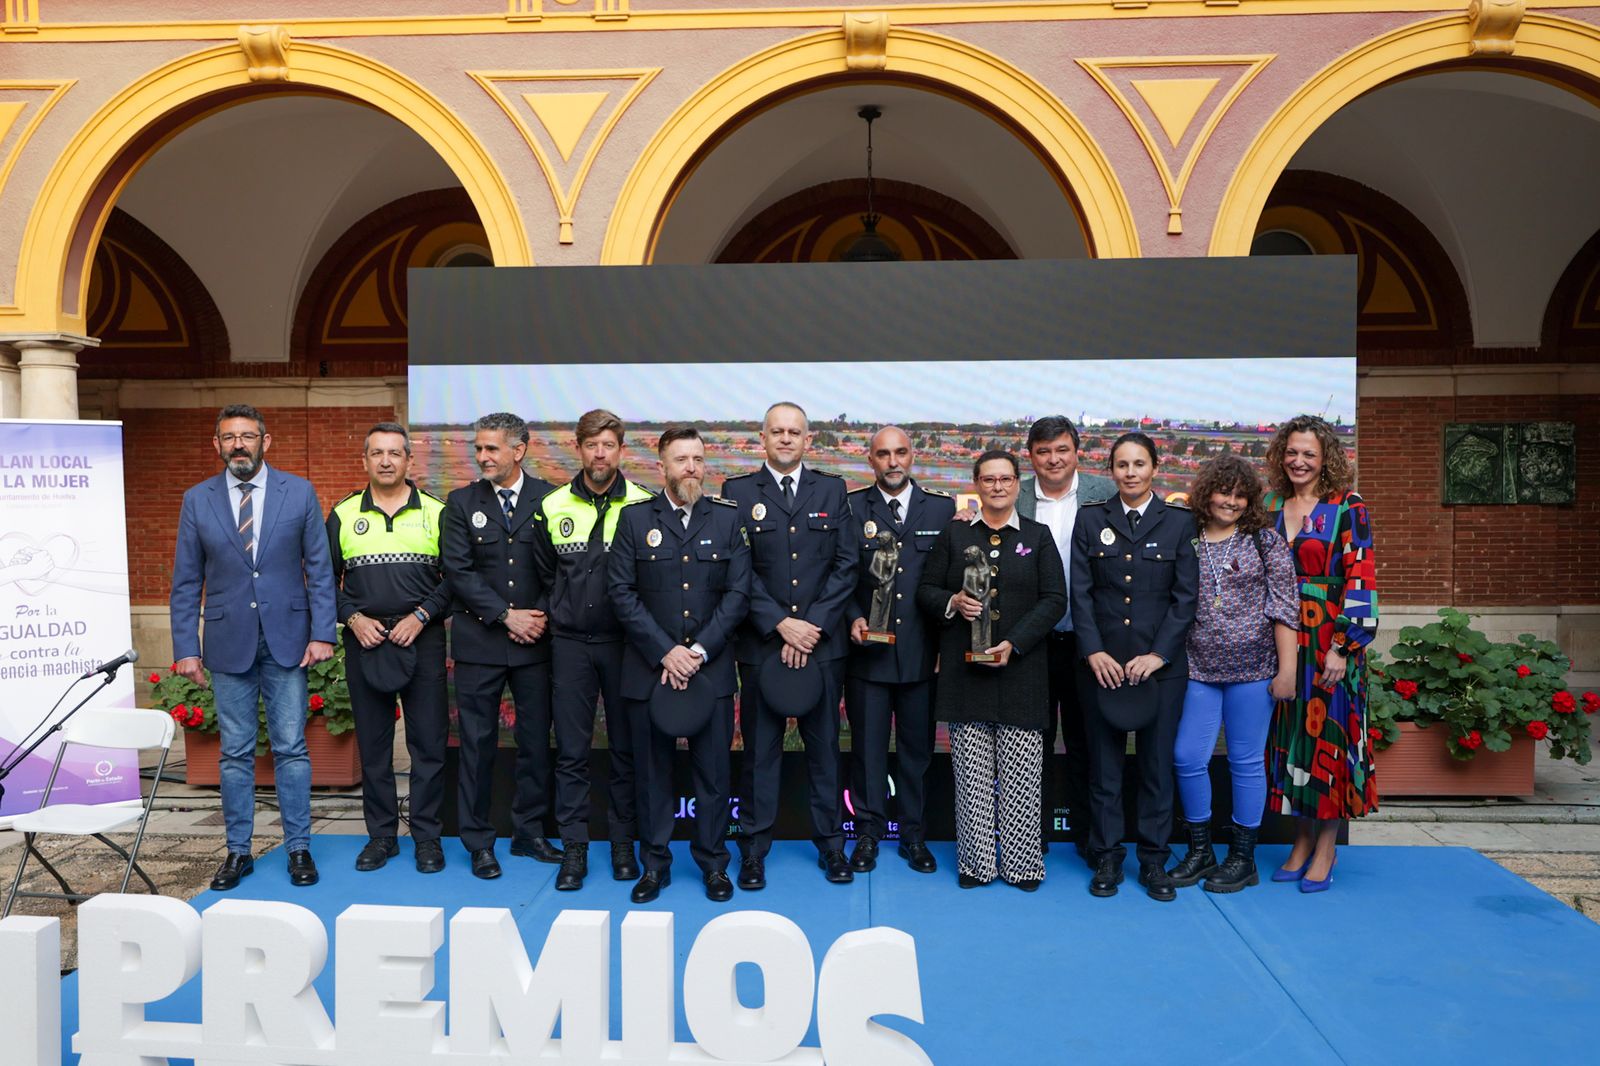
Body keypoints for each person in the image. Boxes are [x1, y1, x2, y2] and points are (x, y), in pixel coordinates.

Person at [170, 404, 336, 891]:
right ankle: (238, 851)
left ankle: (299, 847)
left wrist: (323, 632)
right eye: (228, 438)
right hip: (227, 641)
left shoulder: (299, 491)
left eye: (247, 436)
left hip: (288, 639)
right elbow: (186, 582)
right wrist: (186, 646)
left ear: (267, 440)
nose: (238, 444)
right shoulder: (196, 500)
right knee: (235, 752)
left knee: (291, 747)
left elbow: (319, 569)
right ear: (216, 445)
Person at [608, 427, 751, 902]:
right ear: (662, 466)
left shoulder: (727, 520)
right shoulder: (633, 520)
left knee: (713, 776)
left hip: (708, 671)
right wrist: (665, 651)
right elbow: (621, 593)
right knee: (653, 777)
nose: (690, 468)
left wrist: (697, 651)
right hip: (651, 671)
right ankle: (655, 866)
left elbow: (738, 595)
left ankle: (714, 865)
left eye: (697, 459)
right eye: (681, 460)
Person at [721, 402, 857, 888]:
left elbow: (846, 566)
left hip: (822, 646)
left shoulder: (832, 488)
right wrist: (781, 625)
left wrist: (811, 626)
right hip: (763, 645)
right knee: (760, 752)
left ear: (807, 440)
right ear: (762, 438)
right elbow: (737, 570)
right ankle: (754, 850)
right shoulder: (737, 493)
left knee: (825, 751)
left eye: (793, 432)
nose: (785, 439)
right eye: (776, 432)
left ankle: (831, 847)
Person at [917, 450, 1065, 890]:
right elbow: (925, 589)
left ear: (1018, 483)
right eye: (988, 480)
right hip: (966, 675)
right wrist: (952, 602)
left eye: (1005, 479)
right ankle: (977, 865)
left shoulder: (1037, 537)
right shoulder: (955, 535)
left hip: (1021, 672)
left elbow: (1055, 599)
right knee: (972, 776)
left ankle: (1021, 865)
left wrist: (1015, 643)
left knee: (1022, 775)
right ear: (976, 485)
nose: (997, 487)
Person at [1071, 432, 1198, 902]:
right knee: (1104, 770)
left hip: (1160, 670)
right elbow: (1079, 592)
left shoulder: (1179, 523)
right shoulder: (1091, 520)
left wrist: (1158, 655)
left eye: (1139, 464)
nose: (1130, 472)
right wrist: (1093, 651)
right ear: (1111, 470)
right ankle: (1106, 857)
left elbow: (1186, 599)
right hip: (1102, 667)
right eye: (1121, 464)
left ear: (1154, 468)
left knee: (1155, 770)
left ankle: (1153, 861)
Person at [531, 409, 655, 890]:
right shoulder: (554, 504)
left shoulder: (644, 505)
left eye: (608, 445)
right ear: (578, 449)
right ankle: (575, 851)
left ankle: (624, 845)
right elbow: (546, 574)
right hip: (571, 646)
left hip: (627, 647)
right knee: (573, 753)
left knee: (626, 750)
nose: (599, 454)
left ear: (620, 450)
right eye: (591, 445)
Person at [1167, 455, 1298, 893]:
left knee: (1245, 763)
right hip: (1199, 671)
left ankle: (1243, 857)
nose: (1232, 501)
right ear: (1207, 493)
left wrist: (1287, 671)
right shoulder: (1187, 538)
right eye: (1225, 492)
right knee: (1188, 757)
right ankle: (1201, 851)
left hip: (1254, 672)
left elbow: (1285, 607)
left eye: (1241, 494)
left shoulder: (1264, 541)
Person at [326, 423, 452, 875]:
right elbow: (324, 584)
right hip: (367, 643)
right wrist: (354, 618)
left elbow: (456, 581)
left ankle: (427, 837)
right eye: (376, 453)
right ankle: (381, 837)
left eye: (394, 453)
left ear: (408, 461)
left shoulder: (438, 513)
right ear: (365, 461)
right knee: (375, 747)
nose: (385, 460)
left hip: (424, 641)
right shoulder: (342, 516)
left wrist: (421, 617)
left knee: (429, 746)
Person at [440, 411, 560, 880]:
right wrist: (506, 615)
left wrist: (539, 614)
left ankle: (529, 833)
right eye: (479, 448)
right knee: (477, 745)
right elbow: (458, 571)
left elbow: (561, 569)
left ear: (519, 450)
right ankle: (478, 841)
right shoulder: (460, 501)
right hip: (480, 643)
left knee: (534, 742)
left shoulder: (549, 499)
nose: (483, 456)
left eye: (492, 448)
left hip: (535, 644)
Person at [1263, 414, 1379, 893]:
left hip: (1329, 642)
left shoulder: (1347, 506)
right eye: (1292, 452)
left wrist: (1343, 647)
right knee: (1293, 742)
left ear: (1326, 457)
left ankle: (1326, 847)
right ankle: (1301, 840)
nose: (1299, 461)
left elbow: (1361, 578)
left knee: (1327, 738)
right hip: (1281, 641)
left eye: (1309, 453)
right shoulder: (1270, 503)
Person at [842, 427, 955, 874]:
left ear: (913, 457)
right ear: (870, 460)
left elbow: (948, 580)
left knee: (916, 752)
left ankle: (913, 835)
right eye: (883, 454)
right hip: (867, 654)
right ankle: (867, 833)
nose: (893, 462)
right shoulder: (851, 507)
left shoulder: (944, 509)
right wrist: (852, 614)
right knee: (867, 751)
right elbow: (842, 574)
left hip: (921, 655)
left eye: (900, 453)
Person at [1016, 415, 1113, 860]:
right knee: (1028, 747)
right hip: (1030, 645)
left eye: (1062, 450)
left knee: (1087, 745)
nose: (1053, 460)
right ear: (1030, 456)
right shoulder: (1011, 496)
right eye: (1043, 451)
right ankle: (1028, 841)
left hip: (1090, 645)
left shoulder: (1105, 495)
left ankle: (1092, 841)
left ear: (1078, 452)